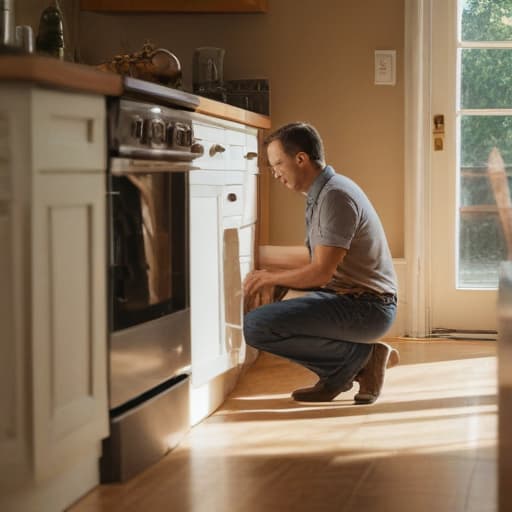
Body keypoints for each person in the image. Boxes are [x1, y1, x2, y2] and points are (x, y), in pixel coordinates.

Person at [243, 122, 399, 404]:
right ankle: (339, 374)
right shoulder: (324, 192)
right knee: (275, 304)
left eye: (278, 163)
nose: (275, 173)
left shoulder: (335, 196)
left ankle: (364, 358)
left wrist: (270, 278)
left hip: (368, 307)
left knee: (256, 325)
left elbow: (320, 271)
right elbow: (318, 256)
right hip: (351, 297)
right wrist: (256, 257)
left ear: (301, 158)